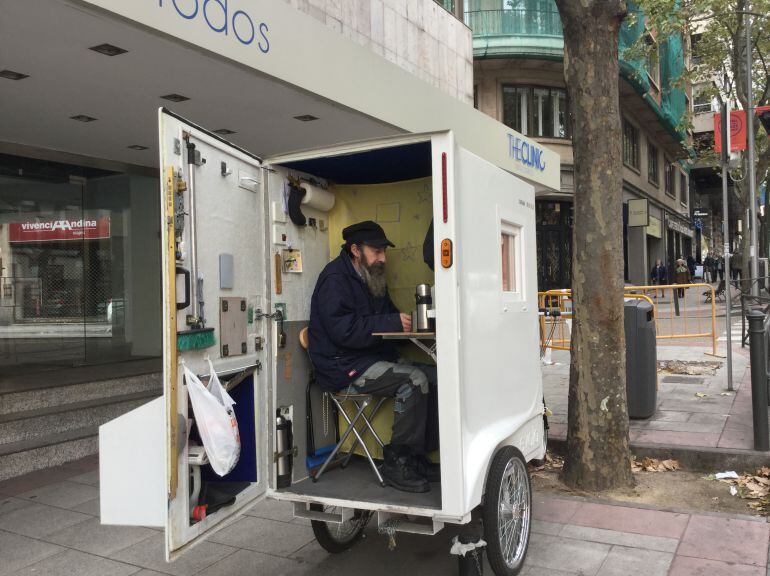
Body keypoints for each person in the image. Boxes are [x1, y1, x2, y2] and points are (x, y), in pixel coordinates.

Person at [308, 220, 439, 493]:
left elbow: (387, 315)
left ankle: (416, 458)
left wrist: (407, 323)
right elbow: (343, 331)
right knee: (413, 381)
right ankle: (396, 463)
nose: (382, 258)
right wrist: (391, 323)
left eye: (384, 252)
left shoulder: (372, 276)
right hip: (342, 367)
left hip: (369, 357)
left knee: (436, 377)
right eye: (376, 251)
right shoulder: (335, 280)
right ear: (356, 250)